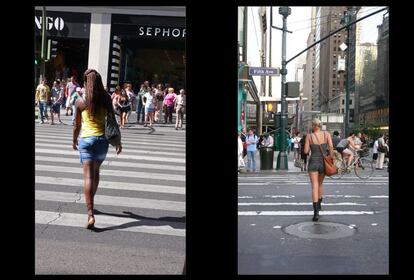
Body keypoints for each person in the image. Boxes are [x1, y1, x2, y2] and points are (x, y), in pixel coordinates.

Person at [72, 69, 122, 229]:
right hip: (102, 141)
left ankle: (90, 214)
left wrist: (74, 140)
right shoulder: (106, 99)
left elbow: (77, 125)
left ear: (86, 82)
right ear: (99, 82)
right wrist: (118, 142)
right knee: (96, 173)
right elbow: (113, 122)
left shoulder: (80, 101)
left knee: (87, 177)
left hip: (86, 141)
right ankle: (91, 199)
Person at [303, 118, 334, 222]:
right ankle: (319, 204)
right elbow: (331, 147)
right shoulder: (326, 134)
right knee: (320, 184)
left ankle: (315, 213)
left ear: (313, 125)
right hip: (323, 162)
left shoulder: (309, 136)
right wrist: (331, 159)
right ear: (320, 125)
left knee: (314, 186)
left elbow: (306, 151)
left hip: (313, 162)